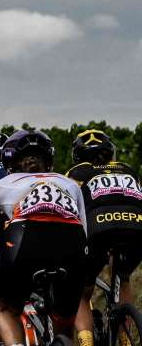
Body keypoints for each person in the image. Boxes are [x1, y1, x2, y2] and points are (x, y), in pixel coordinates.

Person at [0, 129, 88, 346]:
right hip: (71, 242)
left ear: (11, 163)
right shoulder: (69, 184)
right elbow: (84, 234)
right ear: (48, 159)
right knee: (64, 317)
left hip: (24, 241)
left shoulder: (0, 185)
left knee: (5, 308)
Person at [69, 128, 142, 331]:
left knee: (83, 291)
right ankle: (124, 337)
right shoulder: (128, 169)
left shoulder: (76, 172)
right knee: (123, 276)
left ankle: (86, 342)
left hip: (99, 229)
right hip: (137, 227)